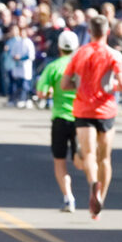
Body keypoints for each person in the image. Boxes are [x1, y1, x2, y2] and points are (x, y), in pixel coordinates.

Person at [62, 15, 122, 219]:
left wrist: (78, 86)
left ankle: (93, 184)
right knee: (105, 158)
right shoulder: (114, 55)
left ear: (89, 32)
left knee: (89, 154)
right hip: (106, 110)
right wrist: (111, 87)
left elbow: (65, 84)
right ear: (107, 31)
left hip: (83, 109)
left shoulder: (79, 53)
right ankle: (100, 198)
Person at [35, 30, 82, 212]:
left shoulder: (53, 67)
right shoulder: (82, 66)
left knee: (59, 161)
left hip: (60, 118)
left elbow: (41, 93)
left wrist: (50, 92)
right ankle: (95, 186)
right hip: (81, 118)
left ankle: (68, 198)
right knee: (82, 161)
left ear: (59, 47)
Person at [4, 24, 36, 108]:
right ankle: (18, 99)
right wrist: (14, 56)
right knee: (18, 84)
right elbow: (12, 53)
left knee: (26, 85)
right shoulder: (17, 42)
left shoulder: (28, 42)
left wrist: (21, 58)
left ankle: (25, 99)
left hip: (25, 67)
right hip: (18, 67)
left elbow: (31, 55)